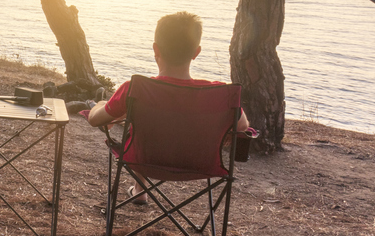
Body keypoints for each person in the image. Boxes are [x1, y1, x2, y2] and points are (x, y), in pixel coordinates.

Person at [84, 11, 250, 202]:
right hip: (200, 165)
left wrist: (102, 104)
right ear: (196, 52)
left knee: (138, 128)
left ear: (156, 49)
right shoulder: (221, 94)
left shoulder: (136, 89)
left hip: (144, 161)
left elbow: (95, 120)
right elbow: (242, 128)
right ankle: (140, 190)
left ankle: (140, 189)